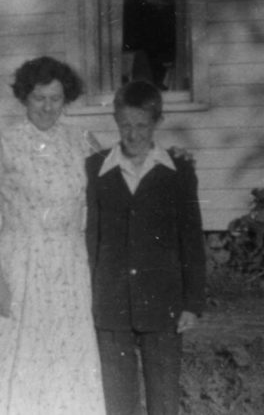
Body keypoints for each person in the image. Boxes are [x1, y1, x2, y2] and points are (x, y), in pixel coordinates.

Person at [0, 56, 105, 415]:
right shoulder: (3, 143)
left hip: (70, 269)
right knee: (15, 356)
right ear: (25, 97)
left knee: (64, 357)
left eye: (56, 98)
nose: (48, 107)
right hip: (19, 266)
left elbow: (112, 197)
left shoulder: (84, 141)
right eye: (40, 98)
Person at [85, 80, 206, 415]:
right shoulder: (95, 169)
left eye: (141, 125)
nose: (133, 134)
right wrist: (88, 296)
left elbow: (191, 239)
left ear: (157, 123)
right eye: (125, 125)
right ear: (115, 122)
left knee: (164, 398)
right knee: (117, 401)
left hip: (164, 303)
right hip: (111, 304)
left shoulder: (178, 171)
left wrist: (192, 303)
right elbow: (91, 237)